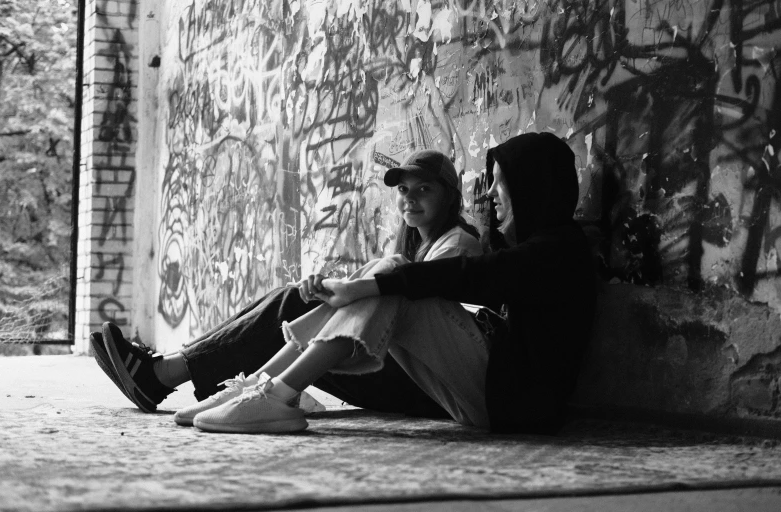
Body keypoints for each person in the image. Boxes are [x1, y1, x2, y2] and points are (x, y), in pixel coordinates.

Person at [164, 132, 597, 434]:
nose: (491, 196)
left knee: (396, 281)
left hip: (513, 405)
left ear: (531, 188)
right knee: (389, 275)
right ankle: (262, 388)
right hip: (496, 396)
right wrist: (360, 287)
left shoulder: (559, 251)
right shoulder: (547, 246)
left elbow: (470, 276)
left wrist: (364, 288)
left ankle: (274, 396)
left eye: (502, 186)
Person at [91, 149, 483, 424]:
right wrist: (327, 288)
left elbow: (406, 303)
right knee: (294, 299)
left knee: (291, 305)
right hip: (399, 367)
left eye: (423, 189)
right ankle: (183, 374)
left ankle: (165, 375)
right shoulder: (419, 244)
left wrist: (339, 291)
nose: (409, 199)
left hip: (425, 381)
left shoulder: (457, 244)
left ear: (448, 195)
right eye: (403, 190)